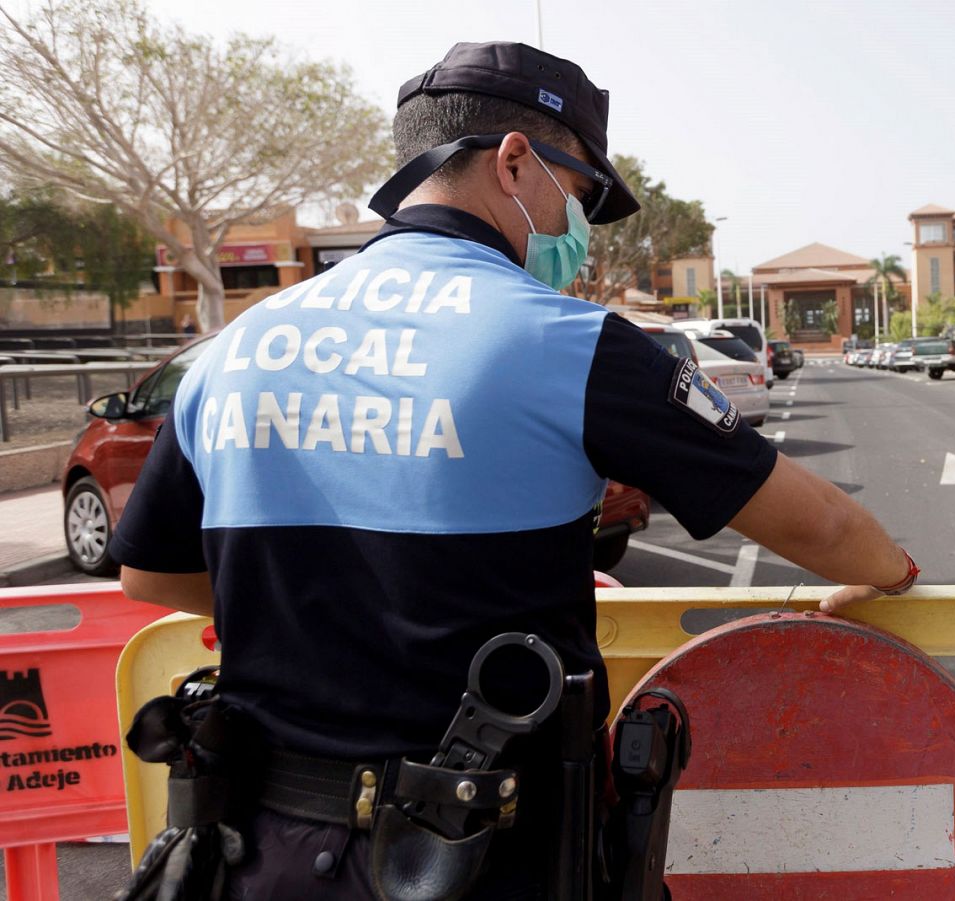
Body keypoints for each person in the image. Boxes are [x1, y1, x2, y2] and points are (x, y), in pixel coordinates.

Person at [111, 41, 914, 899]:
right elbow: (820, 524)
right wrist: (885, 572)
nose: (576, 229)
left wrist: (329, 601)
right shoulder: (567, 341)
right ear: (516, 161)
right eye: (578, 196)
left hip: (259, 854)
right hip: (486, 858)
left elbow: (150, 573)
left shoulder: (239, 348)